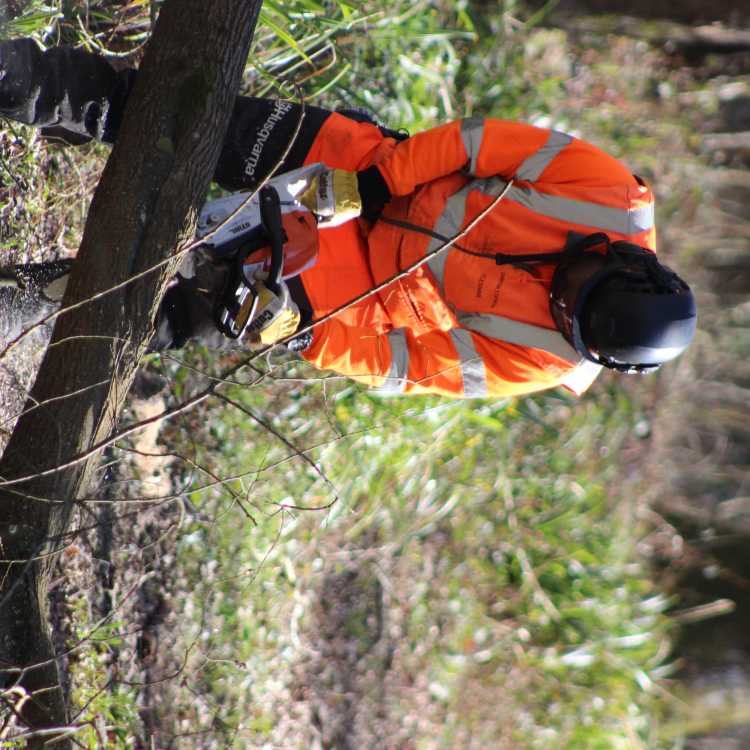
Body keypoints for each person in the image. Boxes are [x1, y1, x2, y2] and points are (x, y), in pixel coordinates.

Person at [0, 38, 697, 399]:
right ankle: (22, 78)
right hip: (374, 174)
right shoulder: (608, 194)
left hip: (358, 286)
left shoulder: (544, 360)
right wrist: (377, 178)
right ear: (621, 257)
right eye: (578, 285)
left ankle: (20, 305)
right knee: (174, 120)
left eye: (567, 314)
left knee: (176, 312)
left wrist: (304, 335)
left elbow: (406, 365)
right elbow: (480, 141)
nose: (561, 296)